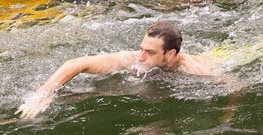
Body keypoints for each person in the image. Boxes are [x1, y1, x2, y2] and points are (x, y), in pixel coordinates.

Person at [17, 21, 218, 119]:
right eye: (141, 49)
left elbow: (230, 85)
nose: (141, 57)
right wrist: (43, 94)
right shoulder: (131, 59)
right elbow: (75, 64)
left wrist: (226, 113)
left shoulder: (193, 69)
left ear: (170, 54)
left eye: (149, 52)